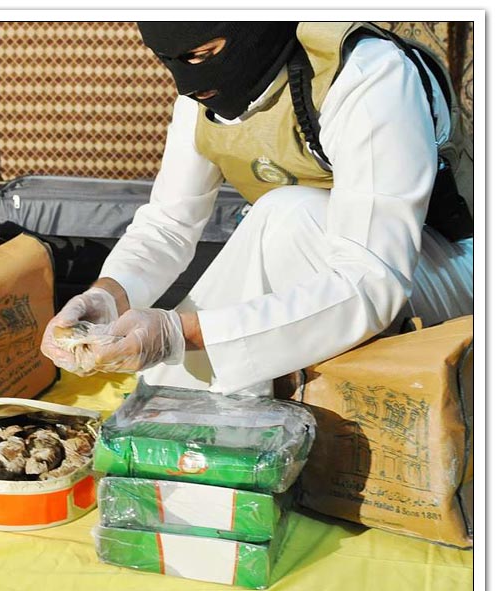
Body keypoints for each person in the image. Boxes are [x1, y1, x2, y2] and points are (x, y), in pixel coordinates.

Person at [40, 21, 474, 396]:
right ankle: (162, 414)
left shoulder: (365, 73)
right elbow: (169, 225)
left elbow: (373, 280)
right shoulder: (202, 96)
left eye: (202, 55)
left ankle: (181, 408)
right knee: (277, 219)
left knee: (286, 217)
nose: (187, 82)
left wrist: (182, 335)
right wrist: (108, 296)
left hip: (453, 272)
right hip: (334, 266)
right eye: (169, 61)